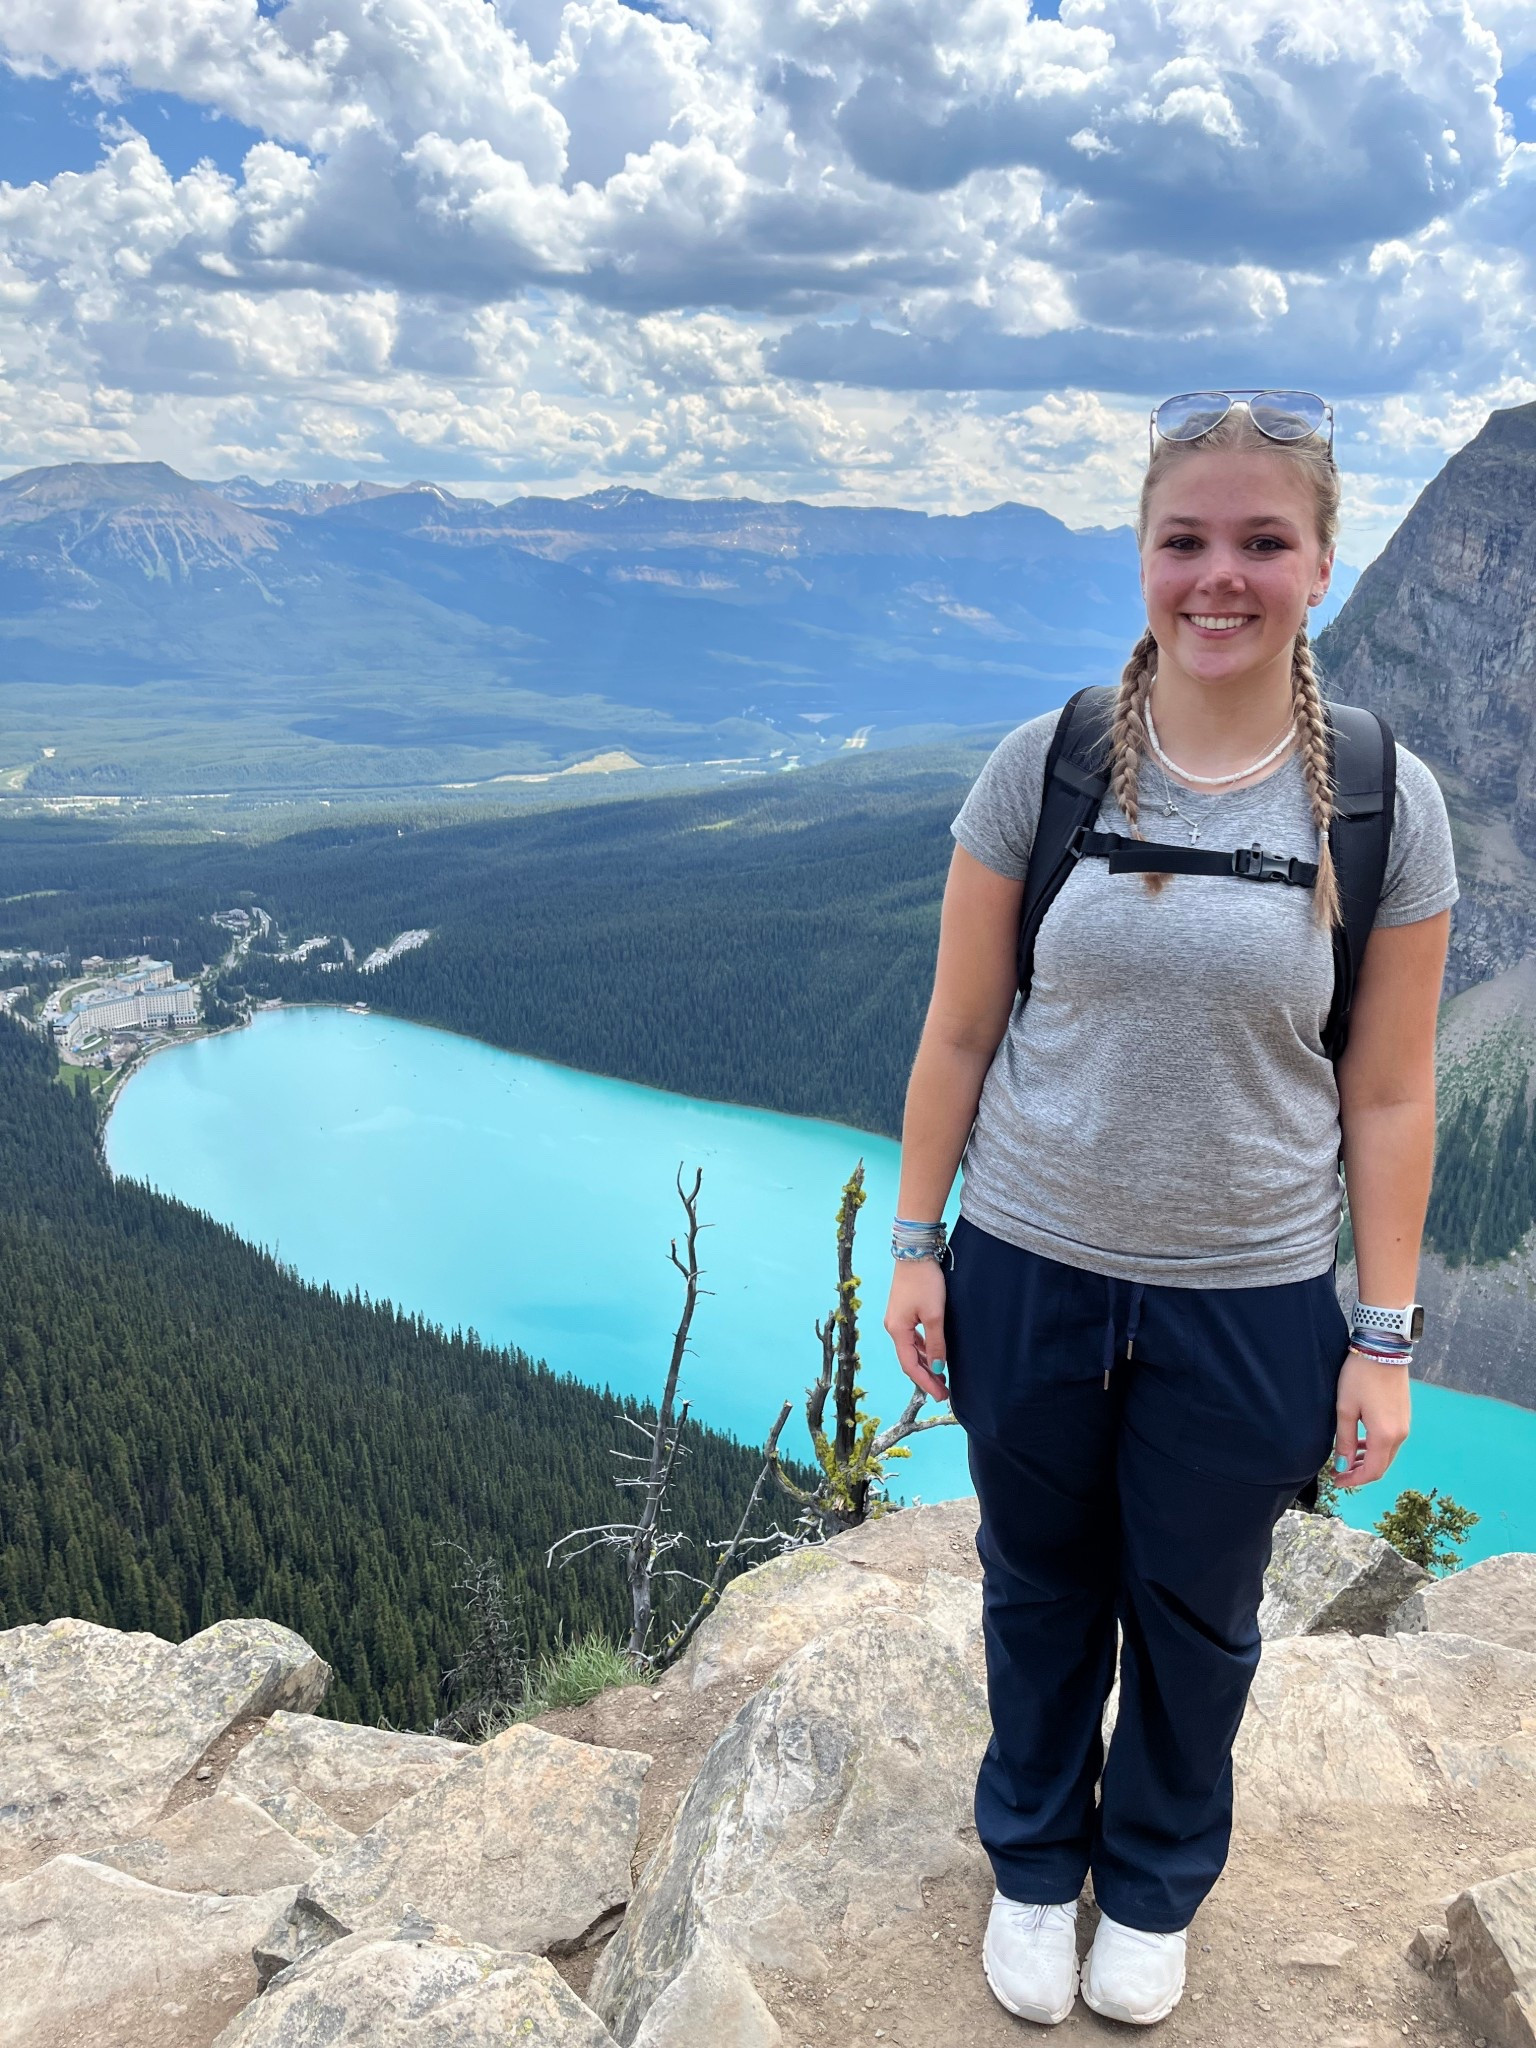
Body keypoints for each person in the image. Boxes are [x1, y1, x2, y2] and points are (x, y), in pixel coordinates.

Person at [882, 390, 1457, 2029]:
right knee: (1039, 1580)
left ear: (1321, 565)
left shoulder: (1376, 804)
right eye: (1186, 541)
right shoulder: (1048, 766)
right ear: (1142, 557)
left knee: (1197, 1615)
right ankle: (1033, 1864)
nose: (1223, 576)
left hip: (1256, 1294)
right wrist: (919, 1244)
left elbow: (1392, 1093)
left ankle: (1149, 1884)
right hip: (1034, 1266)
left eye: (1262, 543)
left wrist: (1385, 1338)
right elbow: (959, 1030)